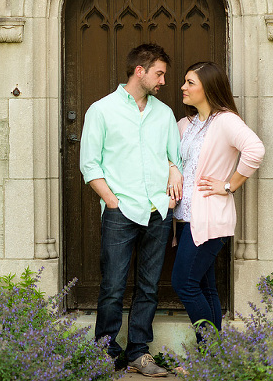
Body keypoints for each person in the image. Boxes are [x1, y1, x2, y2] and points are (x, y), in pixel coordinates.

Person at [80, 43, 182, 378]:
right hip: (120, 212)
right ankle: (106, 353)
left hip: (157, 212)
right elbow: (89, 165)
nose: (163, 80)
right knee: (112, 286)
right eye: (159, 73)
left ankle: (139, 353)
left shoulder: (163, 114)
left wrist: (171, 181)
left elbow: (174, 158)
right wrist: (111, 200)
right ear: (140, 71)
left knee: (149, 287)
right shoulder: (102, 111)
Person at [171, 61, 264, 343]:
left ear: (208, 88)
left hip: (210, 218)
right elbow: (173, 159)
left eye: (190, 83)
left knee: (184, 284)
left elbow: (255, 150)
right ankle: (214, 358)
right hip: (187, 218)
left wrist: (229, 185)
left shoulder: (225, 121)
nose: (183, 87)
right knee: (205, 287)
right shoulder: (186, 124)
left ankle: (208, 351)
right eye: (184, 81)